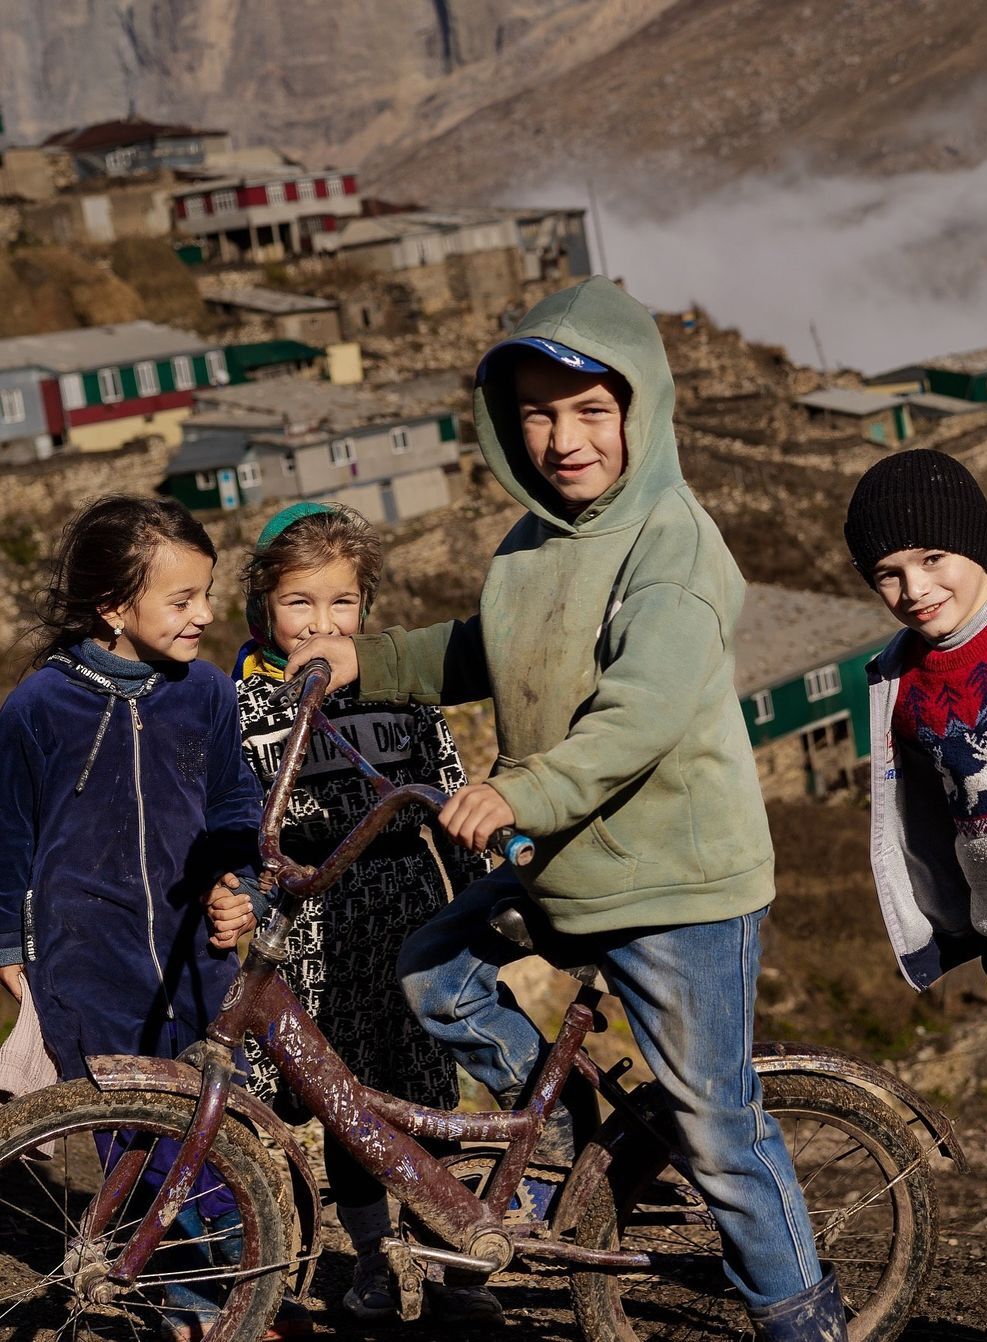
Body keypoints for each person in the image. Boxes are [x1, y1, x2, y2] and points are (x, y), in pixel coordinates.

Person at [283, 276, 849, 1340]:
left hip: (676, 883)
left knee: (719, 1126)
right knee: (431, 972)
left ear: (642, 409)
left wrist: (517, 788)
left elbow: (638, 715)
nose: (562, 438)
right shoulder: (533, 544)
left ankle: (800, 1314)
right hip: (564, 855)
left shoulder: (672, 549)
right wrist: (369, 659)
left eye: (591, 410)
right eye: (537, 413)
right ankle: (592, 1135)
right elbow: (480, 645)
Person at [0, 495, 303, 1341]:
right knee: (134, 1134)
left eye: (206, 593)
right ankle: (190, 1301)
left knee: (215, 1120)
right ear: (113, 608)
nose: (206, 614)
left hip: (196, 951)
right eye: (182, 600)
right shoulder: (36, 710)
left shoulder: (206, 694)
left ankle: (239, 1282)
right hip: (85, 958)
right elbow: (7, 840)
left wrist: (237, 880)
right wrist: (7, 949)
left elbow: (236, 805)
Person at [212, 501, 495, 1325]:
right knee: (346, 1105)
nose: (321, 623)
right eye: (300, 602)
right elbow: (235, 828)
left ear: (366, 608)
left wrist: (486, 897)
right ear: (262, 605)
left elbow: (450, 799)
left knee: (427, 1093)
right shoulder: (241, 707)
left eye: (341, 602)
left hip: (418, 921)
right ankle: (374, 1255)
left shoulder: (402, 694)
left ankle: (451, 1258)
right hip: (313, 935)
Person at [844, 447, 987, 1253]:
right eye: (887, 573)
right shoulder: (900, 683)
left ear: (977, 543)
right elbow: (926, 820)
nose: (914, 590)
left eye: (932, 559)